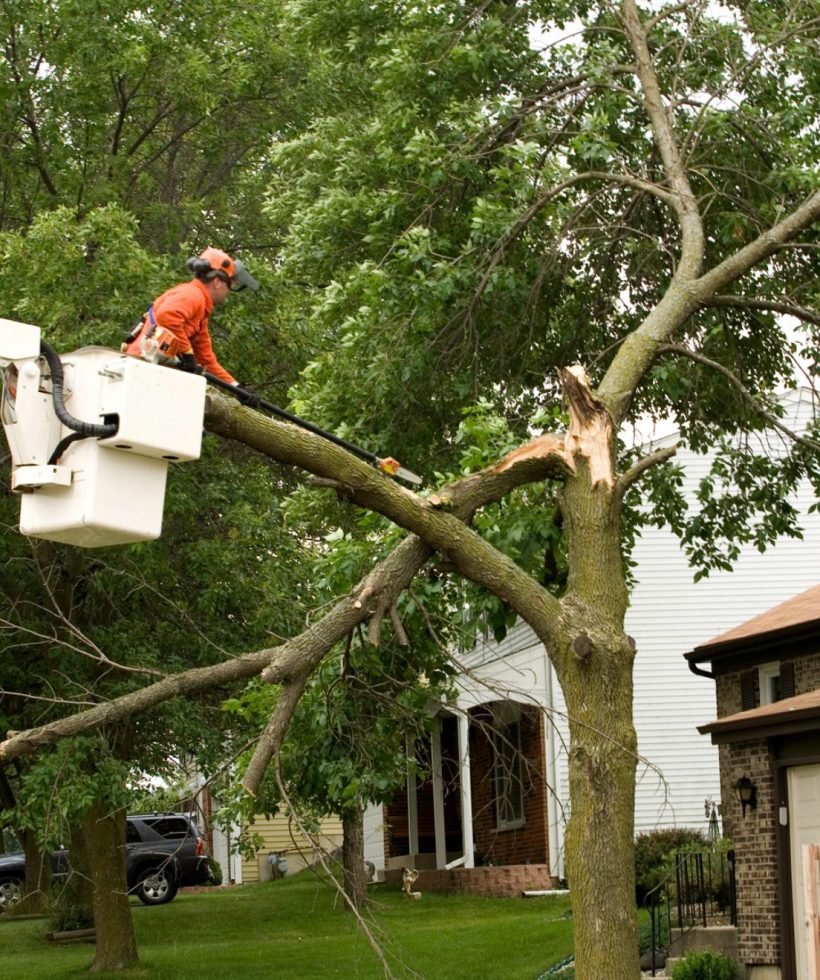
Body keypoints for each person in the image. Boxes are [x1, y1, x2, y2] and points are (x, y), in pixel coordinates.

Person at [124, 247, 259, 385]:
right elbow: (167, 316)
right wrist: (187, 353)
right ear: (217, 282)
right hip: (140, 365)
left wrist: (236, 386)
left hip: (149, 369)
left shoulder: (201, 314)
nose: (228, 291)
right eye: (229, 284)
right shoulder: (193, 295)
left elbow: (206, 359)